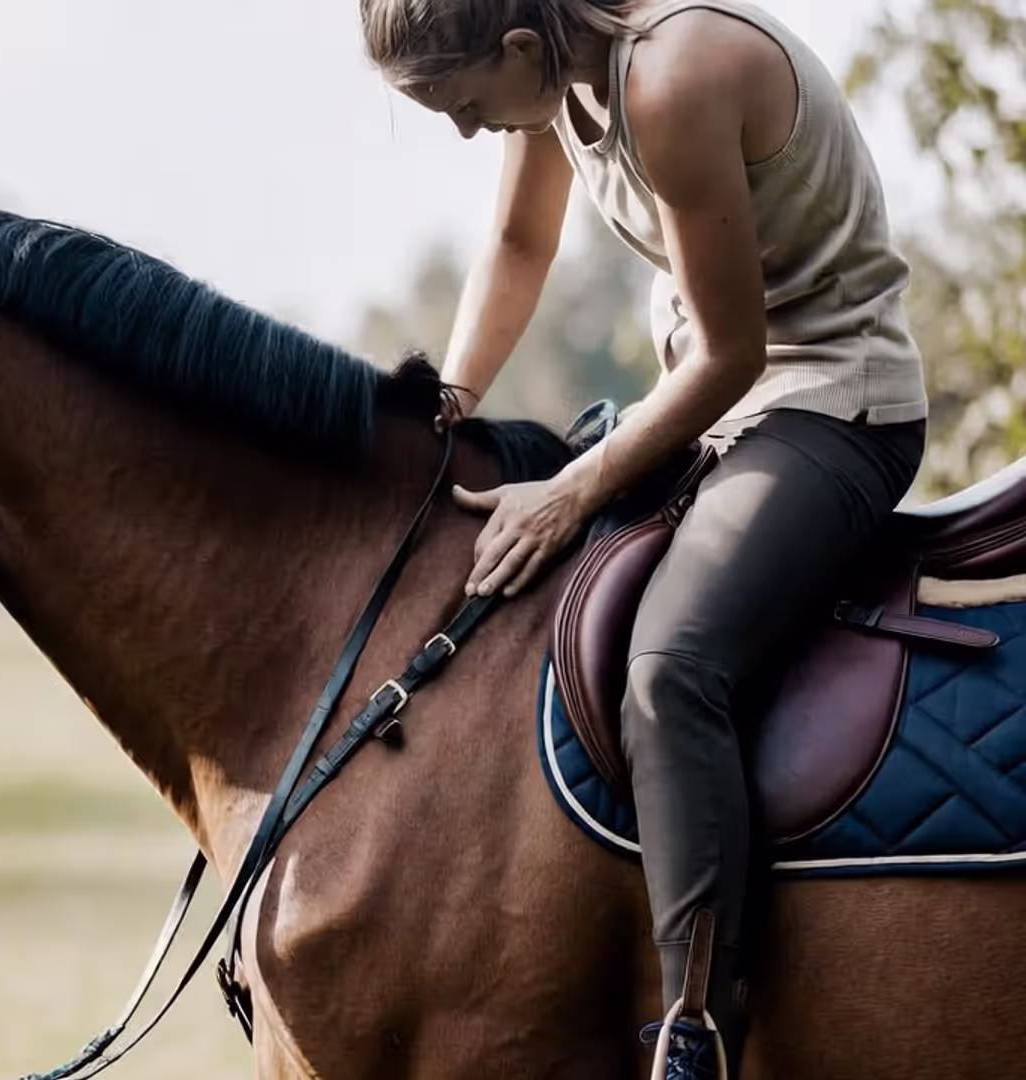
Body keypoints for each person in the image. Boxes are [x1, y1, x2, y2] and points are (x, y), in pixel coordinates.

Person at [360, 0, 929, 1075]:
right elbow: (519, 242)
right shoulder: (554, 70)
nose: (468, 133)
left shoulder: (670, 81)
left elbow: (730, 355)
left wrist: (572, 492)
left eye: (466, 106)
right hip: (719, 409)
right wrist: (452, 398)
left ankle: (699, 1025)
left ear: (519, 49)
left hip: (827, 406)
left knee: (672, 668)